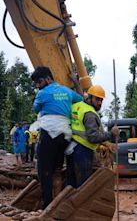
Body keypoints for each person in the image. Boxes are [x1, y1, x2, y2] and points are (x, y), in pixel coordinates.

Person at [31, 66, 83, 208]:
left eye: (39, 82)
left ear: (48, 78)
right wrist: (75, 81)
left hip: (49, 134)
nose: (38, 86)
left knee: (44, 171)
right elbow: (82, 98)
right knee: (57, 169)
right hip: (64, 136)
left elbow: (36, 109)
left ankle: (48, 205)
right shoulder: (67, 91)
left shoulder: (42, 94)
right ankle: (60, 201)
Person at [66, 85, 118, 188]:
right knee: (83, 185)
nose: (99, 103)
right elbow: (93, 137)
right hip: (83, 151)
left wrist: (76, 82)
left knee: (72, 183)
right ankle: (81, 204)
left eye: (101, 100)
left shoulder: (76, 106)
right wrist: (111, 134)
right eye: (97, 99)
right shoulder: (90, 114)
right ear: (89, 98)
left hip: (71, 148)